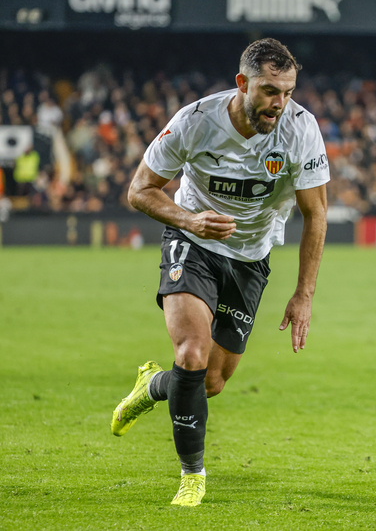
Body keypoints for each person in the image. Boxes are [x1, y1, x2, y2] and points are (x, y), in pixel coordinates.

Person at [110, 38, 329, 506]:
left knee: (210, 382)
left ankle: (152, 386)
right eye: (270, 91)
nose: (280, 103)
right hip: (192, 242)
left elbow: (316, 213)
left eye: (288, 92)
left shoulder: (301, 129)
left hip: (250, 258)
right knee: (191, 353)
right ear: (242, 83)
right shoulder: (195, 121)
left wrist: (304, 294)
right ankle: (192, 474)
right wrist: (189, 221)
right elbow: (139, 190)